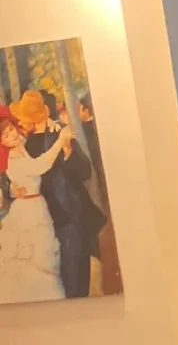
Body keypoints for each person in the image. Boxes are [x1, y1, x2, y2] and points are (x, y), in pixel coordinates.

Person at [11, 90, 105, 299]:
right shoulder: (22, 144)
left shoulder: (61, 135)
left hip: (67, 220)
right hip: (40, 225)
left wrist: (67, 149)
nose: (21, 124)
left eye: (25, 119)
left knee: (74, 286)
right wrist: (13, 189)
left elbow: (84, 172)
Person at [0, 109, 73, 304]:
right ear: (1, 143)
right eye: (5, 136)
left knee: (43, 255)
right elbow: (39, 166)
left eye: (11, 130)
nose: (12, 135)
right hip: (27, 211)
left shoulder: (21, 145)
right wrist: (60, 141)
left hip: (37, 205)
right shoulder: (13, 161)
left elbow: (34, 132)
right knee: (30, 259)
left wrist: (51, 124)